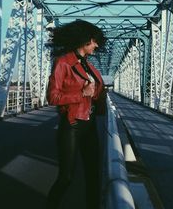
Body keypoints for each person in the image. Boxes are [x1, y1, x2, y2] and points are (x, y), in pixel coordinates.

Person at [46, 20, 106, 209]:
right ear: (86, 40)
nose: (96, 45)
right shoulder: (63, 62)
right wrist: (82, 94)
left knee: (93, 175)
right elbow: (52, 97)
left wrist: (96, 92)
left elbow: (94, 93)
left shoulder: (88, 66)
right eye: (95, 42)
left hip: (89, 125)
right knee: (66, 177)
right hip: (72, 125)